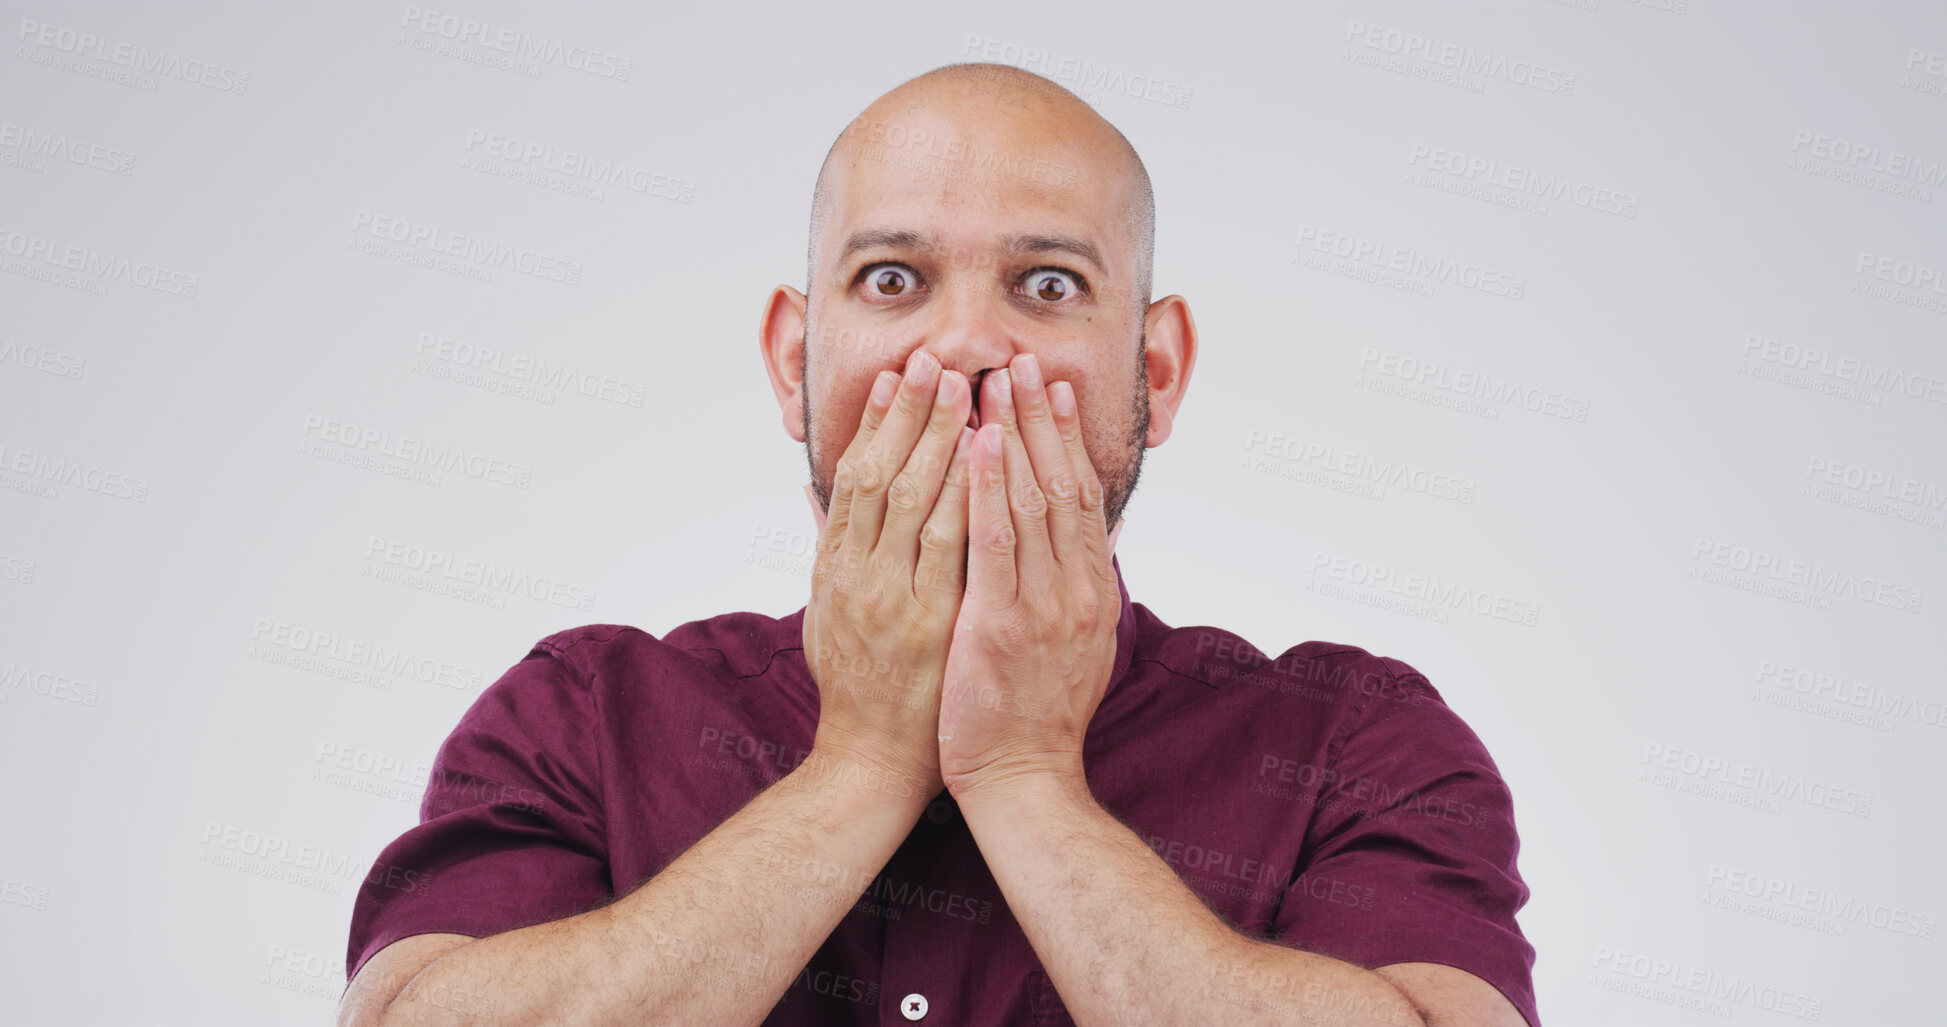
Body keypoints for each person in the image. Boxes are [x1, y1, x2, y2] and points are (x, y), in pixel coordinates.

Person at [337, 61, 1537, 1027]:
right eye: (895, 277)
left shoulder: (1353, 738)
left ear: (1156, 373)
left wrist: (1024, 781)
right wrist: (858, 764)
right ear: (796, 362)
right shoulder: (582, 715)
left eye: (1051, 285)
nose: (965, 344)